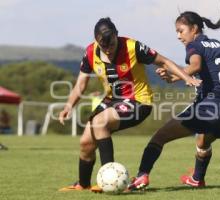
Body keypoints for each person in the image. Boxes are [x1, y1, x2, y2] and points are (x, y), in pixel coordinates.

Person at [58, 17, 201, 192]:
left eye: (111, 45)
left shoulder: (133, 47)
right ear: (96, 41)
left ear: (117, 36)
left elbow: (164, 61)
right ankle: (83, 184)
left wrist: (186, 77)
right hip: (112, 100)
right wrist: (68, 106)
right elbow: (81, 83)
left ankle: (109, 180)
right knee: (86, 142)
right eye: (104, 47)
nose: (109, 50)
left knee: (99, 122)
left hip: (139, 101)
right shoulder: (90, 52)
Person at [129, 4, 220, 190]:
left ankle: (141, 176)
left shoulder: (194, 45)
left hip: (209, 107)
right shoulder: (217, 44)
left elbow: (195, 65)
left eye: (181, 30)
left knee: (159, 137)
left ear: (194, 29)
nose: (178, 36)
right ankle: (197, 178)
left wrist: (174, 75)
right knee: (202, 142)